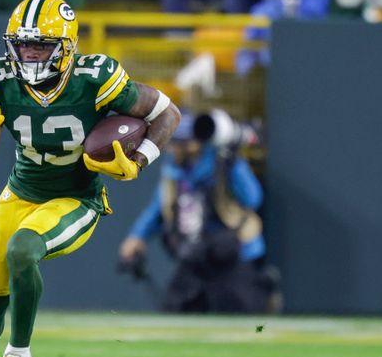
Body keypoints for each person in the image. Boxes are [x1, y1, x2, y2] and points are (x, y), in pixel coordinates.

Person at [0, 0, 181, 357]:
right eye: (23, 44)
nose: (30, 54)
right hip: (19, 192)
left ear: (66, 48)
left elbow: (168, 113)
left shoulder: (96, 77)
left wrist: (139, 160)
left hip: (76, 197)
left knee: (23, 249)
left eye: (41, 46)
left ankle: (18, 356)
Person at [118, 110, 280, 313]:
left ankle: (262, 293)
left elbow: (253, 199)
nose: (171, 150)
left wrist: (234, 162)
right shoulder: (174, 172)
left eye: (176, 144)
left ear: (193, 144)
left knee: (240, 310)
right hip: (197, 255)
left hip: (234, 254)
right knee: (176, 308)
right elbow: (158, 209)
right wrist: (136, 237)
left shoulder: (224, 162)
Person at [235, 0, 329, 76]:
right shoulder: (265, 8)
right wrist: (246, 72)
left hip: (311, 64)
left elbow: (321, 28)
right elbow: (248, 45)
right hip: (273, 70)